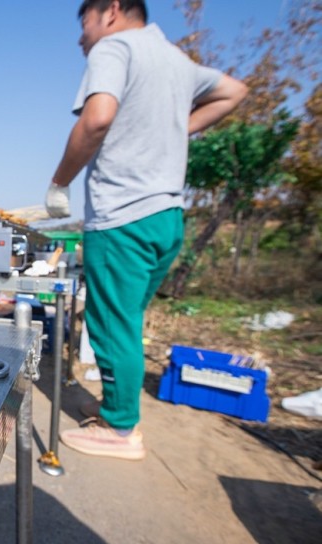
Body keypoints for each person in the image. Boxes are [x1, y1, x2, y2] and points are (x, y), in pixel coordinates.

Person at [46, 0, 247, 460]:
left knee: (112, 325)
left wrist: (59, 182)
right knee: (127, 322)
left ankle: (120, 430)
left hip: (123, 216)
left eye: (85, 24)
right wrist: (177, 129)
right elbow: (234, 91)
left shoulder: (115, 48)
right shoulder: (177, 60)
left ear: (111, 11)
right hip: (166, 218)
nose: (82, 38)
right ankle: (119, 411)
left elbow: (96, 119)